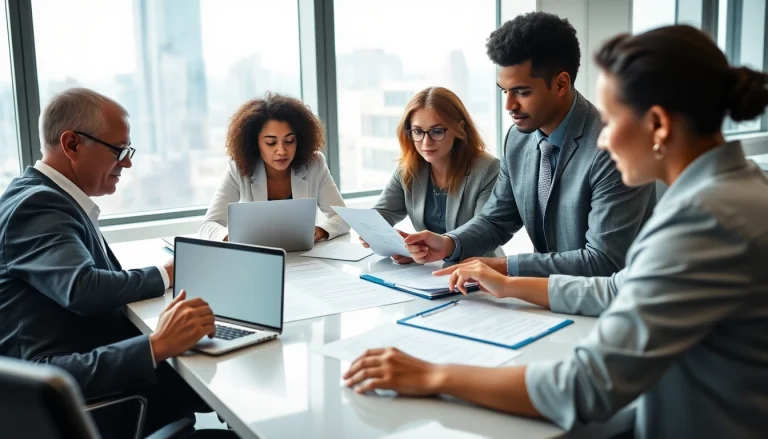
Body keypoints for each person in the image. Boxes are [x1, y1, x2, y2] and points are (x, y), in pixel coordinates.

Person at [343, 25, 768, 438]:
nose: (604, 140)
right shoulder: (733, 188)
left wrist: (432, 374)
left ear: (657, 125)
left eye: (615, 118)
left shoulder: (705, 220)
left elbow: (586, 386)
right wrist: (509, 284)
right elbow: (620, 288)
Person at [0, 88, 234, 438]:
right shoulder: (39, 207)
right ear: (72, 144)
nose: (127, 162)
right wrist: (157, 341)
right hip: (89, 408)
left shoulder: (41, 197)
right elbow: (82, 288)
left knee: (224, 369)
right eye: (119, 150)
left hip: (91, 378)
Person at [403, 12, 656, 277]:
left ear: (560, 83)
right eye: (504, 91)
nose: (509, 105)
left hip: (612, 304)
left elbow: (603, 261)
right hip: (545, 297)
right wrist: (448, 243)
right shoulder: (517, 139)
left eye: (522, 92)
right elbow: (496, 219)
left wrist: (503, 266)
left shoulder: (613, 147)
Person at [363, 87, 502, 264]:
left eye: (437, 131)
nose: (426, 142)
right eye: (418, 132)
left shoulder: (487, 168)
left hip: (479, 270)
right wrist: (372, 231)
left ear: (458, 129)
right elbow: (383, 212)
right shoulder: (408, 168)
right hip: (430, 272)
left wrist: (419, 248)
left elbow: (482, 232)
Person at [199, 93, 349, 242]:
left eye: (289, 141)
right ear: (255, 143)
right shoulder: (239, 168)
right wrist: (231, 238)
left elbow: (344, 218)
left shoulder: (314, 164)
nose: (282, 151)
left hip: (304, 258)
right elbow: (209, 225)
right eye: (271, 143)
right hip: (259, 258)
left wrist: (320, 231)